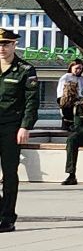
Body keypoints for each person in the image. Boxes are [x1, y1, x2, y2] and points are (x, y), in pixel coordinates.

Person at [0, 29, 33, 232]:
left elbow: (31, 101)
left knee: (9, 173)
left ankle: (7, 217)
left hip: (11, 127)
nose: (2, 48)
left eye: (6, 44)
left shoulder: (24, 69)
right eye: (0, 45)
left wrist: (25, 126)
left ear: (14, 45)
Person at [56, 59, 83, 129]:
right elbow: (60, 89)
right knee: (67, 117)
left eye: (81, 69)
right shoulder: (66, 77)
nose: (79, 70)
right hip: (67, 100)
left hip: (80, 100)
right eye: (76, 68)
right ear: (71, 67)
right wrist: (60, 99)